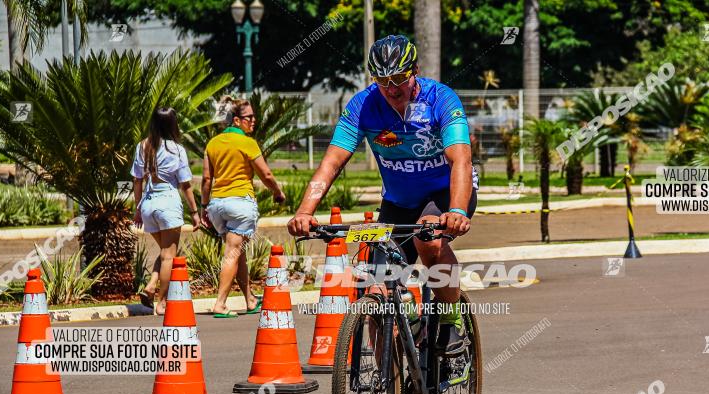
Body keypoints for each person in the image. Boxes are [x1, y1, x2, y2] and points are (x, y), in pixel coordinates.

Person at [287, 35, 477, 355]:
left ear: (415, 71)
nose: (392, 89)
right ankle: (392, 388)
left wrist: (456, 210)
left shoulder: (441, 99)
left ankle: (449, 320)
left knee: (428, 238)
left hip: (444, 195)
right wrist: (305, 211)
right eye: (383, 80)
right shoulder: (364, 105)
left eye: (400, 78)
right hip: (399, 202)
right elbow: (332, 163)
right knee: (375, 293)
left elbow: (461, 158)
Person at [202, 96, 286, 317]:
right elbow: (266, 174)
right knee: (232, 253)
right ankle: (220, 304)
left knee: (236, 253)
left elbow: (206, 180)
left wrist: (203, 207)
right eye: (249, 117)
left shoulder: (212, 143)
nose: (254, 120)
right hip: (240, 205)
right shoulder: (248, 143)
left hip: (217, 205)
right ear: (236, 121)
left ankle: (249, 299)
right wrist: (278, 192)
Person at [132, 107, 201, 315]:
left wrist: (137, 209)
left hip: (148, 204)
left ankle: (152, 284)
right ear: (173, 124)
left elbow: (137, 180)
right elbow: (185, 185)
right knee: (169, 255)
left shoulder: (142, 146)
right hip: (168, 203)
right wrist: (195, 212)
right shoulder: (176, 149)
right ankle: (162, 302)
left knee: (164, 250)